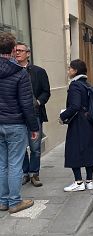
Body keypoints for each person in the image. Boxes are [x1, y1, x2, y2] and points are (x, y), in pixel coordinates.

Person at [0, 32, 39, 213]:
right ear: (14, 50)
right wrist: (34, 127)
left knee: (2, 164)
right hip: (15, 123)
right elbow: (26, 103)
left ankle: (3, 201)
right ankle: (14, 202)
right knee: (15, 163)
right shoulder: (20, 73)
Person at [59, 59, 93, 192]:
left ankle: (79, 182)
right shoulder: (86, 84)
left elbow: (75, 106)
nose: (68, 71)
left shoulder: (75, 86)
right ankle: (89, 181)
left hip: (78, 123)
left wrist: (62, 116)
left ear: (75, 71)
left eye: (69, 69)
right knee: (89, 150)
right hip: (89, 121)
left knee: (74, 150)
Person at [15, 42, 51, 187]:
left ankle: (34, 173)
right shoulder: (12, 70)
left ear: (28, 54)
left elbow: (46, 91)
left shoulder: (38, 71)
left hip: (35, 114)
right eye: (15, 50)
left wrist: (38, 102)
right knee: (21, 147)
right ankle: (25, 173)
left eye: (20, 50)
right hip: (17, 116)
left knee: (35, 147)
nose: (17, 53)